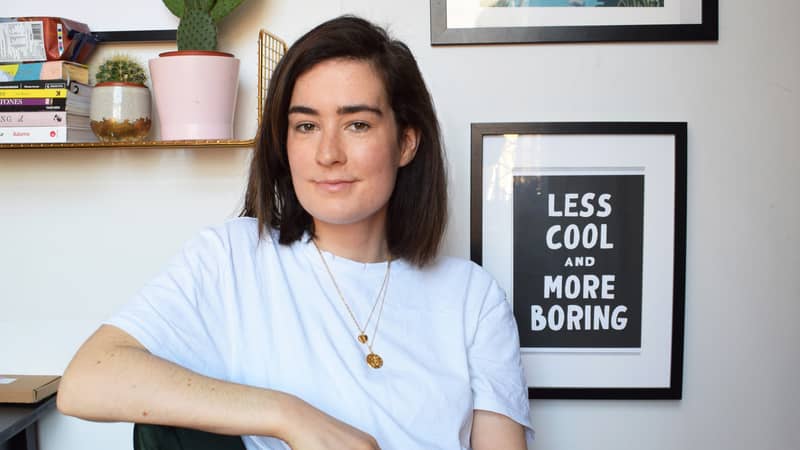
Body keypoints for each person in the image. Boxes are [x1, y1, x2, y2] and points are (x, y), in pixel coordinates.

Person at [57, 15, 534, 450]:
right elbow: (87, 380)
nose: (328, 153)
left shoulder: (473, 298)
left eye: (357, 124)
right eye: (305, 125)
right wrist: (287, 415)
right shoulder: (233, 258)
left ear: (406, 142)